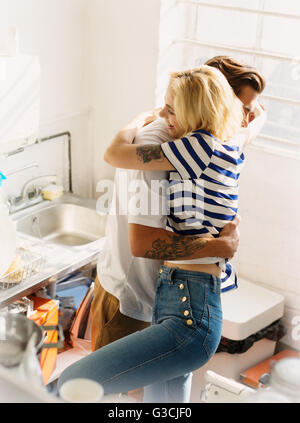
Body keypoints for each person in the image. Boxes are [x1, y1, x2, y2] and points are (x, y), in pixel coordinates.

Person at [58, 64, 266, 403]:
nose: (163, 114)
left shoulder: (196, 147)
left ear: (199, 107)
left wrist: (135, 122)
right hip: (177, 299)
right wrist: (257, 115)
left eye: (171, 108)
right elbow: (252, 126)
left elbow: (114, 154)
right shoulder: (228, 142)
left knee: (73, 383)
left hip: (187, 308)